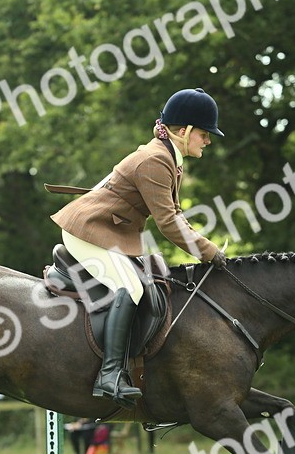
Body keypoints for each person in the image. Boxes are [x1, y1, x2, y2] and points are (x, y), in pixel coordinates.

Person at [49, 88, 227, 406]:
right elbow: (169, 224)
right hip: (88, 232)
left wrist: (205, 247)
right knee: (131, 289)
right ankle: (109, 375)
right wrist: (209, 252)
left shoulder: (170, 159)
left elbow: (176, 215)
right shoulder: (156, 160)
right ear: (184, 131)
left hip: (111, 233)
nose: (208, 141)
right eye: (204, 133)